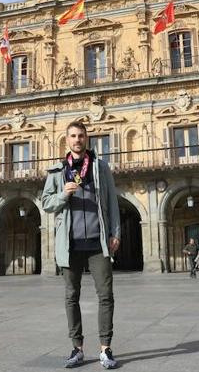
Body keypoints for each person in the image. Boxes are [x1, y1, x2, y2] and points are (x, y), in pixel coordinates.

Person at [42, 121, 121, 369]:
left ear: (87, 139)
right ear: (67, 140)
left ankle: (105, 348)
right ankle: (77, 348)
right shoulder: (56, 172)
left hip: (98, 243)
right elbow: (46, 203)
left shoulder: (100, 166)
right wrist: (63, 194)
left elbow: (112, 201)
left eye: (81, 136)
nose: (77, 139)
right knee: (71, 296)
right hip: (71, 244)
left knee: (106, 296)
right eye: (73, 136)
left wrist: (115, 232)